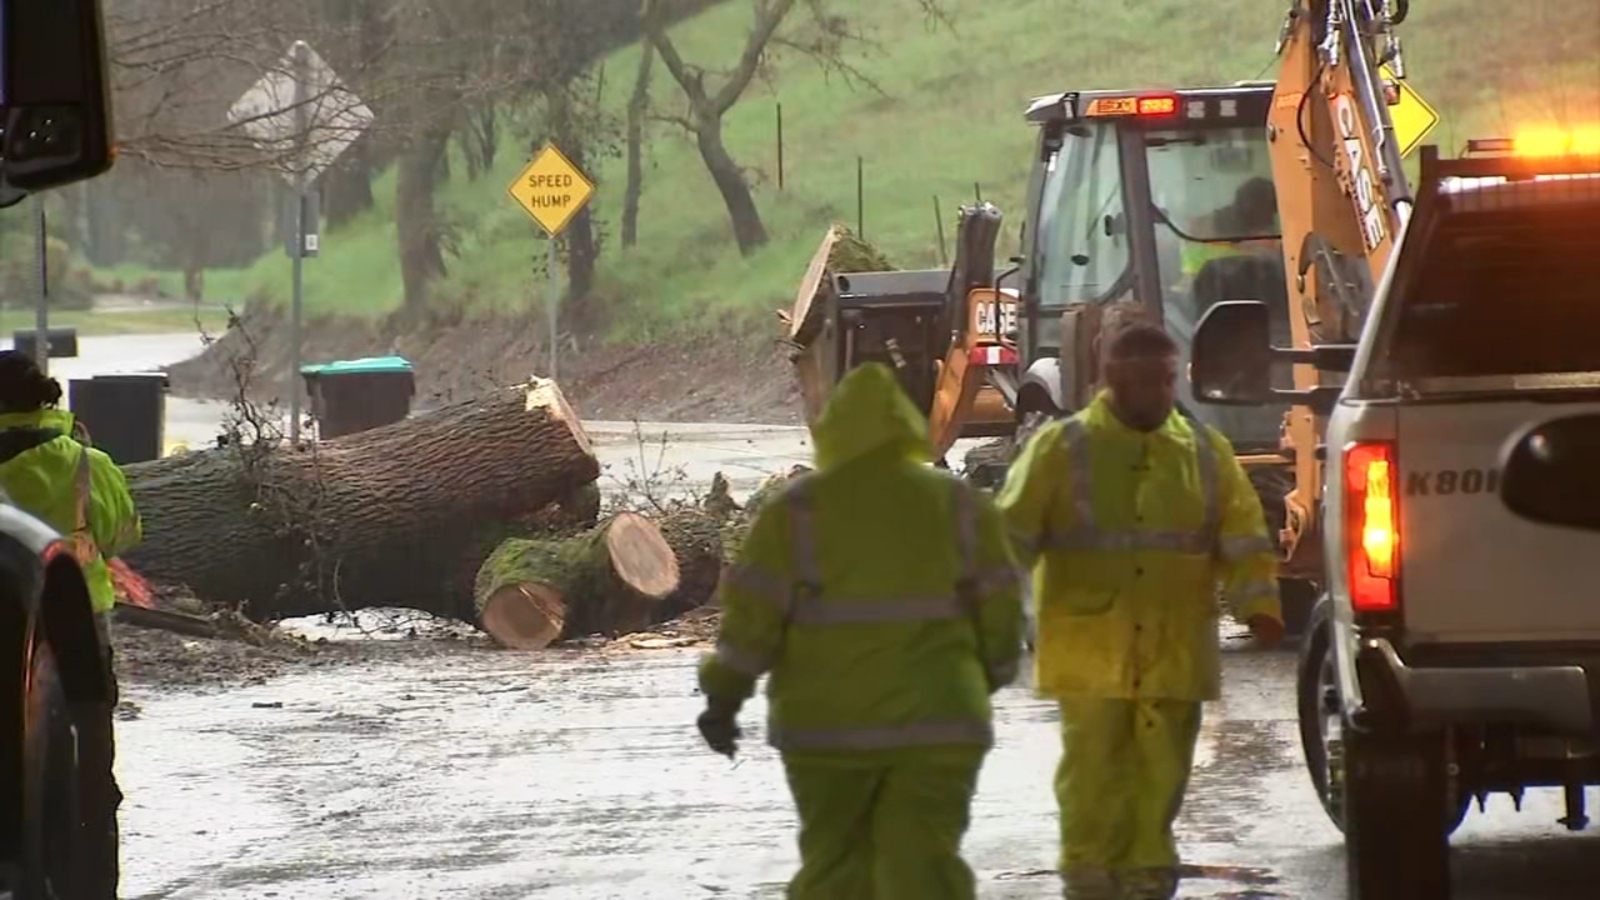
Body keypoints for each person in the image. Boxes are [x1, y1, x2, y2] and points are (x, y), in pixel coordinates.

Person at [696, 361, 1026, 899]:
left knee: (835, 866)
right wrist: (980, 678)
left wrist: (723, 701)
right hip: (938, 724)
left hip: (825, 732)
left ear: (833, 431)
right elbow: (1002, 615)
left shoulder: (793, 514)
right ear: (906, 425)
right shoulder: (958, 505)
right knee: (927, 868)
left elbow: (750, 627)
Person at [995, 320, 1282, 900]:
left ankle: (1149, 884)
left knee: (1162, 782)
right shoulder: (1062, 450)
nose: (1157, 391)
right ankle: (1092, 884)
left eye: (1166, 379)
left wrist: (1261, 606)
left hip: (1174, 655)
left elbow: (1243, 535)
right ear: (1111, 379)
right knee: (1094, 783)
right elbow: (1005, 536)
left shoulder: (1203, 453)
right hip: (1091, 655)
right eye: (1146, 380)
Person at [0, 349, 142, 899]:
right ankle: (95, 883)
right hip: (78, 632)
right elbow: (124, 532)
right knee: (89, 770)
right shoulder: (87, 464)